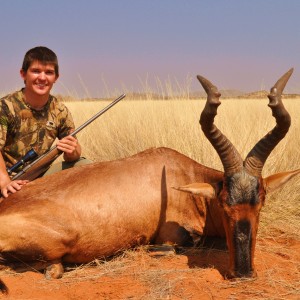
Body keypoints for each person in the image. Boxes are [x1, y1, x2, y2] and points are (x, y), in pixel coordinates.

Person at [0, 46, 86, 198]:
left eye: (49, 72)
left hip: (40, 174)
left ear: (56, 77)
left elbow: (72, 153)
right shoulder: (5, 107)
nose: (42, 78)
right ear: (23, 74)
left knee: (83, 164)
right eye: (35, 71)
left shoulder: (60, 110)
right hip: (8, 177)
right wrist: (5, 181)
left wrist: (73, 151)